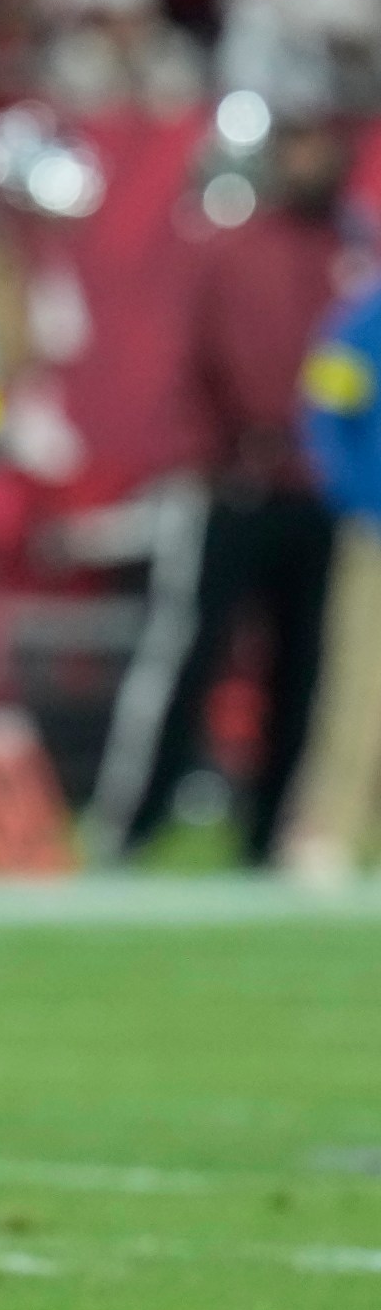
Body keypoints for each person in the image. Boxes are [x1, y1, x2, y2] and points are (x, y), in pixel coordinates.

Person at [89, 114, 352, 868]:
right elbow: (205, 363)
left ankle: (268, 835)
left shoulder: (346, 255)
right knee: (190, 657)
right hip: (239, 484)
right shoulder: (238, 252)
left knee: (302, 671)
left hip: (320, 493)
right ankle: (136, 823)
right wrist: (212, 452)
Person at [283, 279, 381, 885]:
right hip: (376, 531)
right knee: (359, 686)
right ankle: (326, 830)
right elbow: (325, 405)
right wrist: (356, 497)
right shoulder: (369, 317)